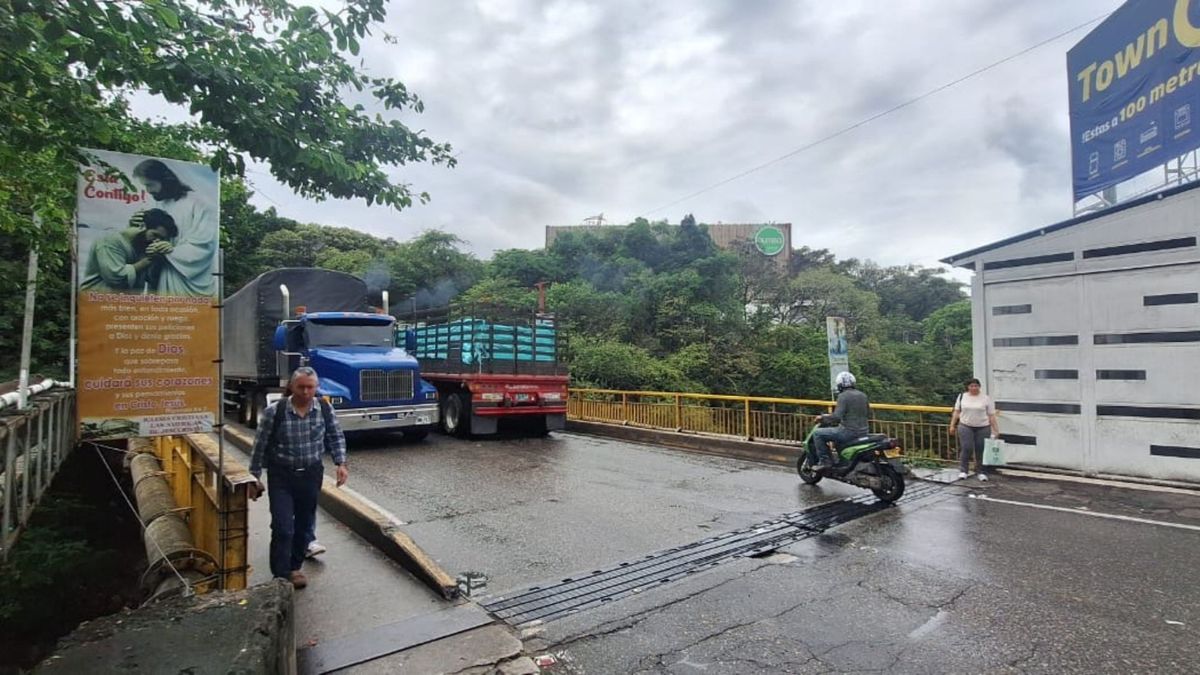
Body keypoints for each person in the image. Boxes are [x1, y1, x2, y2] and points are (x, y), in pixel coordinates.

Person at [248, 367, 349, 589]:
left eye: (310, 387)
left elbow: (335, 435)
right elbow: (260, 445)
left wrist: (340, 463)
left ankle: (294, 568)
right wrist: (254, 477)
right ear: (292, 387)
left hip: (311, 474)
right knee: (283, 526)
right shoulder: (275, 411)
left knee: (304, 525)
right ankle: (280, 575)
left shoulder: (323, 408)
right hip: (282, 476)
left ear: (316, 387)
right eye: (301, 387)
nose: (305, 392)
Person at [132, 159, 218, 297]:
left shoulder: (197, 203)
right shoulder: (159, 203)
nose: (148, 191)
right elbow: (150, 238)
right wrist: (137, 227)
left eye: (150, 185)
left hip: (187, 279)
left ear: (165, 179)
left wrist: (173, 251)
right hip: (162, 278)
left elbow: (205, 244)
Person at [80, 209, 178, 292]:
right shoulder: (109, 241)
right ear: (142, 226)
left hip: (124, 308)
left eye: (162, 239)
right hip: (95, 305)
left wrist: (164, 255)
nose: (157, 241)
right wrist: (148, 260)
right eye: (155, 235)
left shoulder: (143, 245)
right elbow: (116, 279)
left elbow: (152, 279)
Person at [810, 371, 870, 473]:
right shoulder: (863, 395)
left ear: (840, 385)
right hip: (864, 431)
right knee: (837, 437)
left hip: (849, 432)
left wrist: (822, 418)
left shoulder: (843, 396)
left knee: (817, 434)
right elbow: (868, 412)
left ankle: (825, 462)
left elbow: (837, 417)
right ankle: (843, 461)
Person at [949, 378, 1000, 482]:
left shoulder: (985, 398)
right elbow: (956, 412)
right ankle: (964, 470)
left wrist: (996, 429)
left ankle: (981, 471)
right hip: (965, 425)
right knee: (966, 448)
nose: (974, 388)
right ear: (968, 387)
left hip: (983, 426)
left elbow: (991, 415)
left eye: (976, 386)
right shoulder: (962, 396)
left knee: (980, 449)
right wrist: (952, 425)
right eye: (971, 386)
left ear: (979, 387)